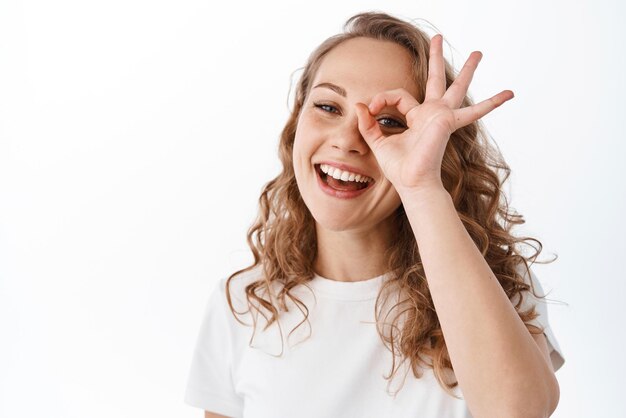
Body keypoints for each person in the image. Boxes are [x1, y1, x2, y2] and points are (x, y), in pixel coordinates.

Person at [184, 11, 565, 418]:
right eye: (329, 106)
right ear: (296, 124)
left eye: (389, 121)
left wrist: (419, 185)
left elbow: (519, 411)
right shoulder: (244, 302)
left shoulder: (491, 281)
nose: (349, 140)